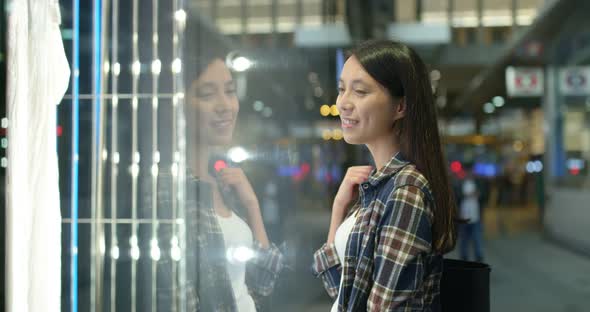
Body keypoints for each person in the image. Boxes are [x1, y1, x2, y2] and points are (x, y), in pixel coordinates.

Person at [312, 40, 457, 311]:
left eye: (360, 91)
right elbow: (343, 291)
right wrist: (338, 209)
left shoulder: (405, 191)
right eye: (342, 89)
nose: (343, 103)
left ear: (400, 107)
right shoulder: (377, 185)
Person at [183, 51, 284, 311]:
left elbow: (263, 281)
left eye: (229, 91)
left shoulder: (223, 182)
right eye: (207, 94)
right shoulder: (174, 187)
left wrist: (251, 205)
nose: (225, 105)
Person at [456, 163, 485, 262]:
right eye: (468, 171)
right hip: (464, 216)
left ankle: (478, 256)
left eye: (471, 171)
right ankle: (463, 256)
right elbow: (456, 197)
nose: (469, 173)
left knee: (477, 238)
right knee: (464, 239)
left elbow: (484, 195)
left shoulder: (478, 183)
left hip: (476, 216)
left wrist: (479, 194)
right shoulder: (459, 183)